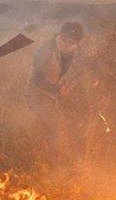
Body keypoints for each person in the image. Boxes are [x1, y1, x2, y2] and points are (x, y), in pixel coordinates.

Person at [25, 21, 85, 162]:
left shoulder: (73, 50)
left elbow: (83, 64)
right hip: (36, 94)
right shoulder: (45, 50)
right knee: (54, 127)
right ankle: (48, 161)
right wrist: (58, 89)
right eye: (72, 41)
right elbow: (37, 80)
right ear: (63, 36)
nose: (74, 45)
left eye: (77, 42)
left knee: (65, 124)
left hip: (54, 95)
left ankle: (51, 157)